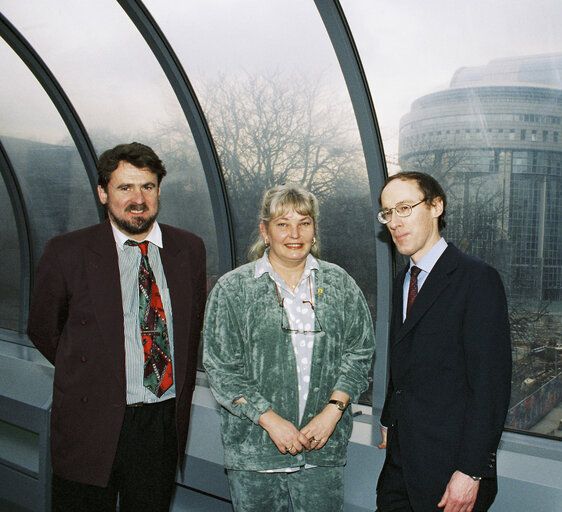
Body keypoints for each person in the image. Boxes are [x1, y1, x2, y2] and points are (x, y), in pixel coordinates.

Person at [27, 142, 208, 511]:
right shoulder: (67, 251)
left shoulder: (189, 249)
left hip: (160, 424)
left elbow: (190, 330)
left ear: (159, 191)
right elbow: (44, 330)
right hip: (90, 419)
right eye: (125, 187)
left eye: (148, 187)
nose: (137, 198)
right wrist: (92, 369)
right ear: (102, 192)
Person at [202, 184, 375, 512]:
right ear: (265, 231)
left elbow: (360, 349)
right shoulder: (233, 290)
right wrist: (269, 420)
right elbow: (222, 368)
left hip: (322, 453)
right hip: (256, 455)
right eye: (283, 223)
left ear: (314, 230)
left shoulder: (339, 284)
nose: (294, 233)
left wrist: (332, 412)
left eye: (304, 222)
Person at [376, 171, 512, 512]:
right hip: (399, 466)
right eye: (388, 212)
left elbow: (490, 387)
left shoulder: (477, 279)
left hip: (451, 471)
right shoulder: (403, 282)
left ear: (436, 206)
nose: (395, 221)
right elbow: (403, 362)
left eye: (405, 207)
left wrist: (471, 471)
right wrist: (389, 419)